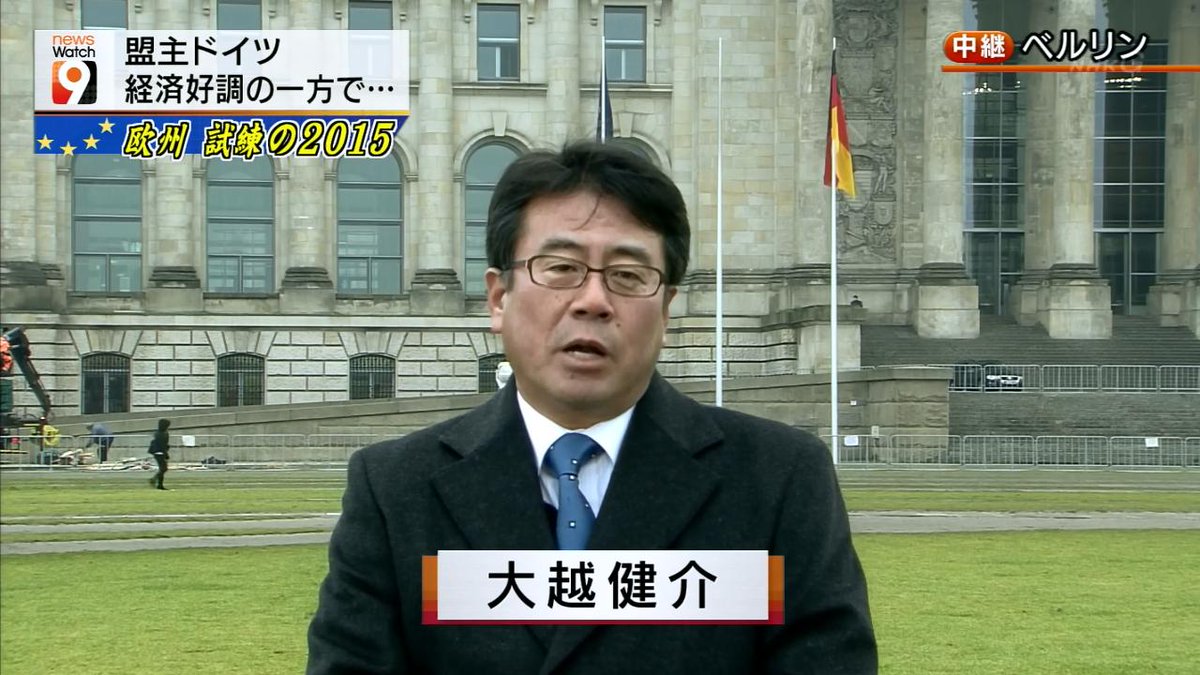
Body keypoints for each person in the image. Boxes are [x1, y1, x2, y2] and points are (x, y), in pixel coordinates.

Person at [306, 140, 877, 674]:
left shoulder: (779, 479)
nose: (594, 300)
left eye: (628, 275)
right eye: (561, 268)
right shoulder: (395, 489)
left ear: (666, 310)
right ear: (499, 298)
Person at [148, 418, 170, 490]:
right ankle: (156, 482)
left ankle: (157, 482)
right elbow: (163, 445)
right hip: (160, 452)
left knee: (163, 468)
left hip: (157, 452)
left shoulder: (157, 433)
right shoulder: (163, 434)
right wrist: (166, 454)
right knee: (163, 468)